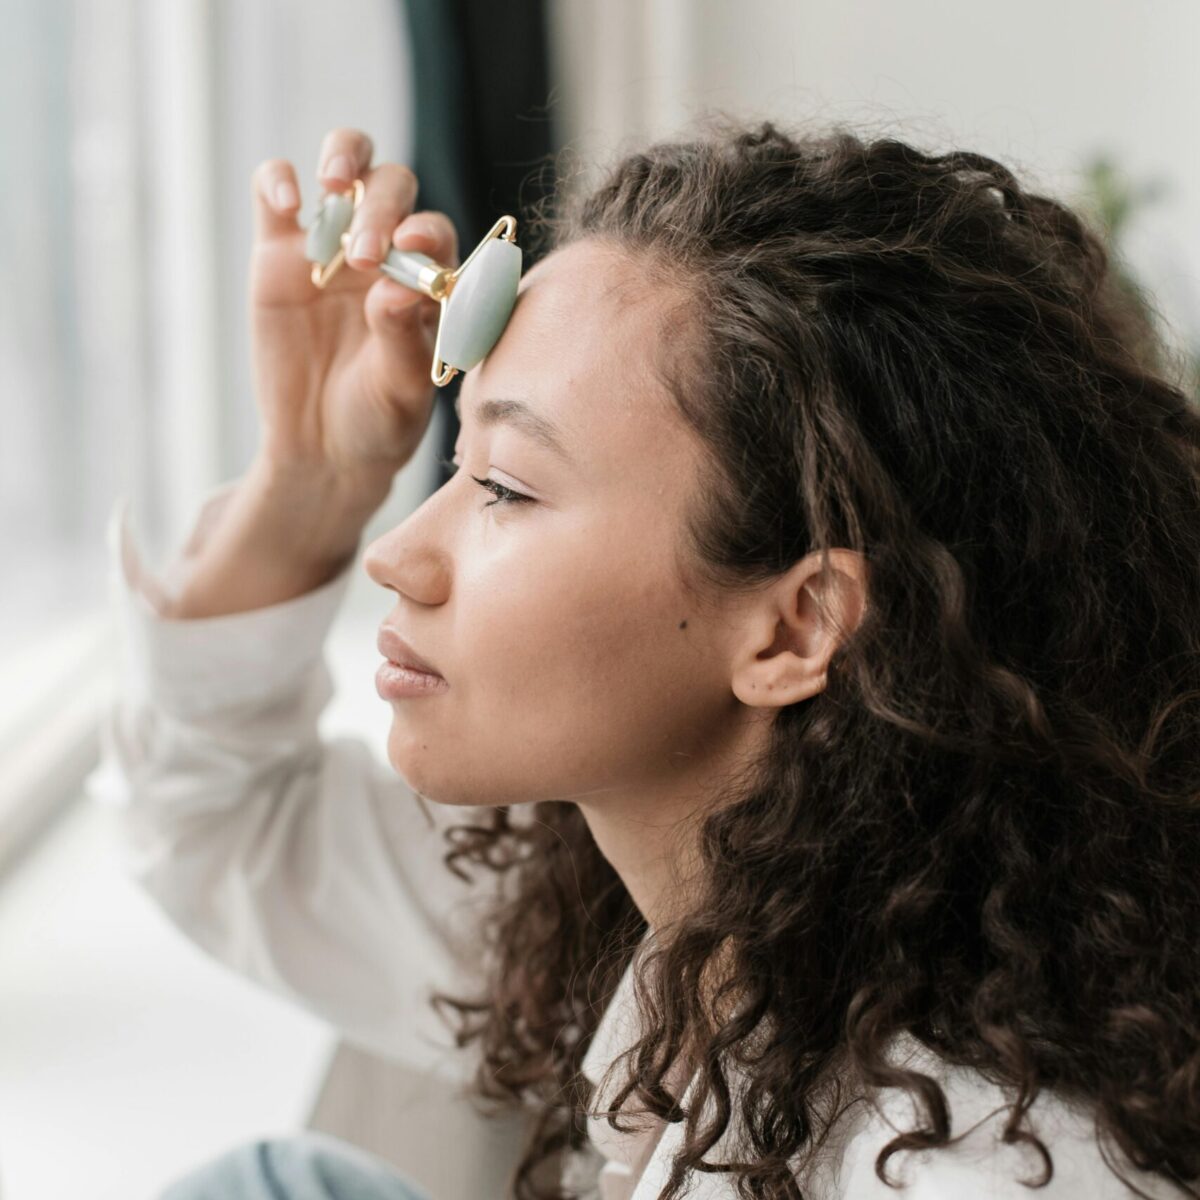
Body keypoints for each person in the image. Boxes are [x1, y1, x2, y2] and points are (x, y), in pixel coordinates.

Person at [90, 117, 1200, 1200]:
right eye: (458, 462)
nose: (397, 555)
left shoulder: (974, 1167)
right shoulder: (650, 898)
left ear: (795, 627)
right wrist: (309, 485)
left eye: (506, 488)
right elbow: (221, 819)